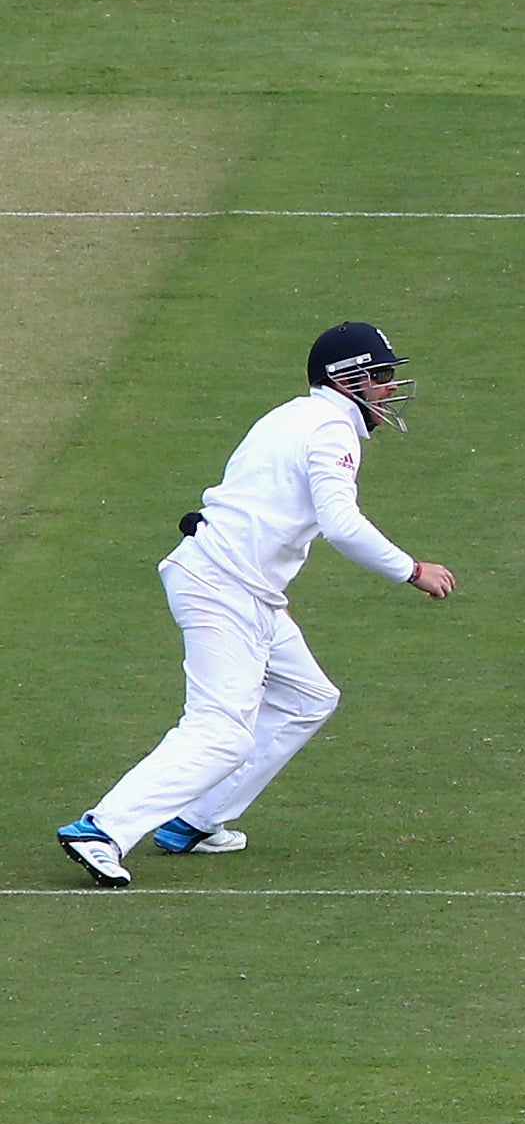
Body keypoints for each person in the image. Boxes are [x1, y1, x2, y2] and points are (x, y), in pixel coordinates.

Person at [55, 324, 457, 887]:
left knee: (309, 698)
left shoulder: (292, 415)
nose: (389, 388)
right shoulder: (331, 432)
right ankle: (102, 830)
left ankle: (195, 819)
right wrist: (412, 570)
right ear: (347, 380)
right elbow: (341, 526)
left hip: (244, 587)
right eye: (381, 377)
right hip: (224, 586)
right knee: (222, 732)